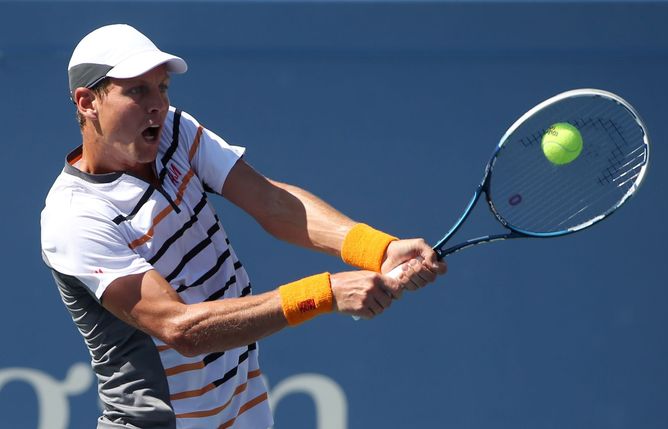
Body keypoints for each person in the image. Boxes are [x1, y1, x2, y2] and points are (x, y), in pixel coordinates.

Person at [40, 24, 447, 429]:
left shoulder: (175, 133)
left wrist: (378, 249)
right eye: (137, 91)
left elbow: (272, 203)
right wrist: (325, 293)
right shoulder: (75, 217)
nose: (157, 105)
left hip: (242, 408)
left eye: (162, 88)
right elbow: (182, 329)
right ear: (87, 101)